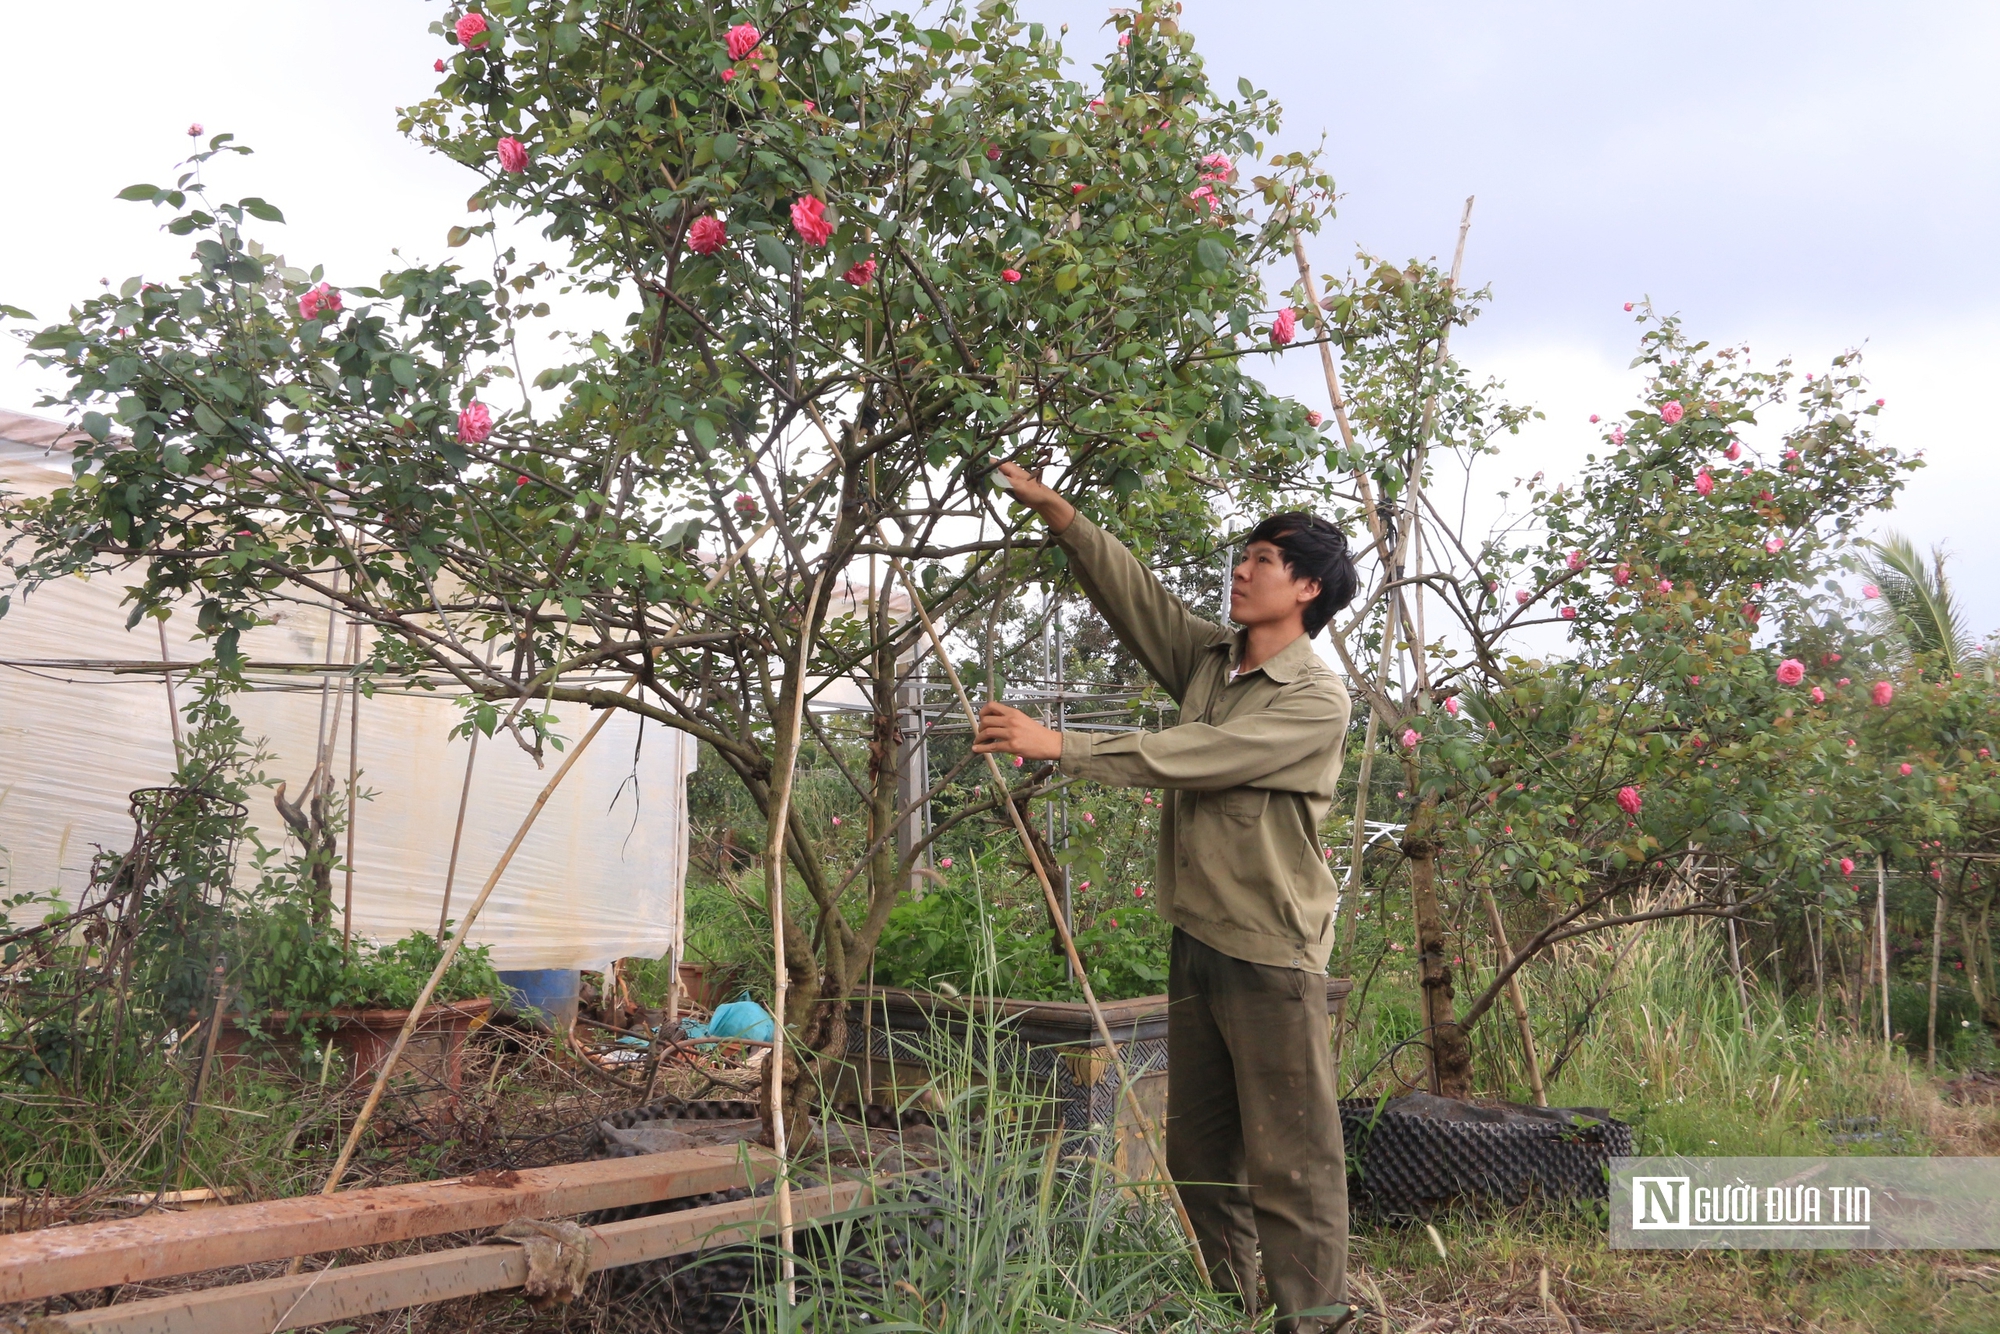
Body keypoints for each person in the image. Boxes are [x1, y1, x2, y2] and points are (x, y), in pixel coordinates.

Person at [973, 461, 1359, 1333]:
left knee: (1292, 1164)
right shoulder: (1213, 659)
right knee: (1199, 1155)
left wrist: (1058, 745)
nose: (1242, 570)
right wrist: (1061, 515)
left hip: (1270, 952)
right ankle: (1227, 1311)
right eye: (1244, 555)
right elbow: (1136, 597)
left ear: (1305, 588)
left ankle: (1314, 1321)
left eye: (1263, 559)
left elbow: (1194, 756)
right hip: (1200, 939)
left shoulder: (1313, 699)